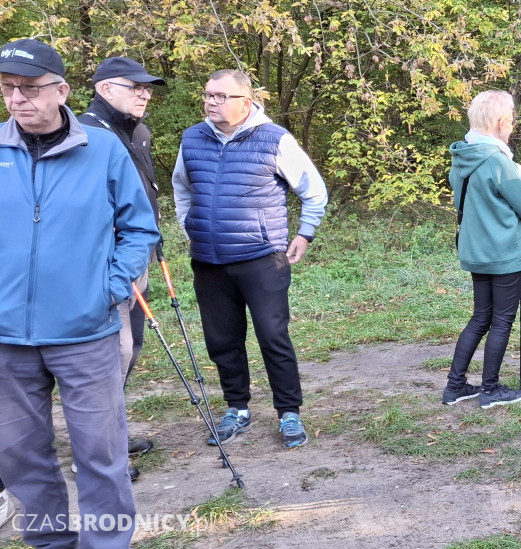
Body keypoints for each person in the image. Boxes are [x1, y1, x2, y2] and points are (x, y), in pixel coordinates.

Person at [0, 38, 160, 547]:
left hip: (86, 333)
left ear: (62, 90)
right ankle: (50, 542)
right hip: (7, 341)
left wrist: (110, 288)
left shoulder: (104, 149)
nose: (18, 99)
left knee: (100, 454)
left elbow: (140, 228)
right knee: (21, 455)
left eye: (30, 88)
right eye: (7, 89)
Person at [171, 69, 328, 449]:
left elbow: (314, 191)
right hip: (209, 260)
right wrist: (190, 228)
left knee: (273, 336)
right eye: (208, 95)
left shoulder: (274, 139)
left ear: (246, 101)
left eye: (221, 96)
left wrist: (304, 233)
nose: (211, 102)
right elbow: (182, 188)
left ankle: (289, 413)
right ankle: (236, 409)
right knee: (222, 339)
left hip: (262, 258)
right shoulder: (193, 138)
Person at [80, 55, 166, 482]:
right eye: (135, 86)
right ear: (104, 89)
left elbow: (142, 193)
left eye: (147, 87)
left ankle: (110, 433)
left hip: (139, 258)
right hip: (106, 266)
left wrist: (154, 237)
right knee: (111, 354)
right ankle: (100, 452)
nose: (144, 93)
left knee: (130, 350)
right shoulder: (85, 135)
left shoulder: (138, 132)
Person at [442, 90, 521, 409]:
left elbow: (461, 202)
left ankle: (455, 386)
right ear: (500, 122)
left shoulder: (462, 157)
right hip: (504, 253)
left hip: (475, 250)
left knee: (480, 317)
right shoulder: (498, 161)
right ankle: (490, 389)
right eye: (511, 119)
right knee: (501, 320)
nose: (512, 125)